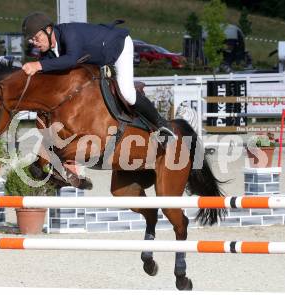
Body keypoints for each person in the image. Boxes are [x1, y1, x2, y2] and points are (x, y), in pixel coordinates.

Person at [21, 13, 175, 188]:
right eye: (31, 40)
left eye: (36, 37)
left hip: (118, 48)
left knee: (127, 93)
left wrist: (37, 66)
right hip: (96, 59)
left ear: (49, 30)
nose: (35, 42)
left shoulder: (70, 33)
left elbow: (71, 59)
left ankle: (162, 126)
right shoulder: (48, 54)